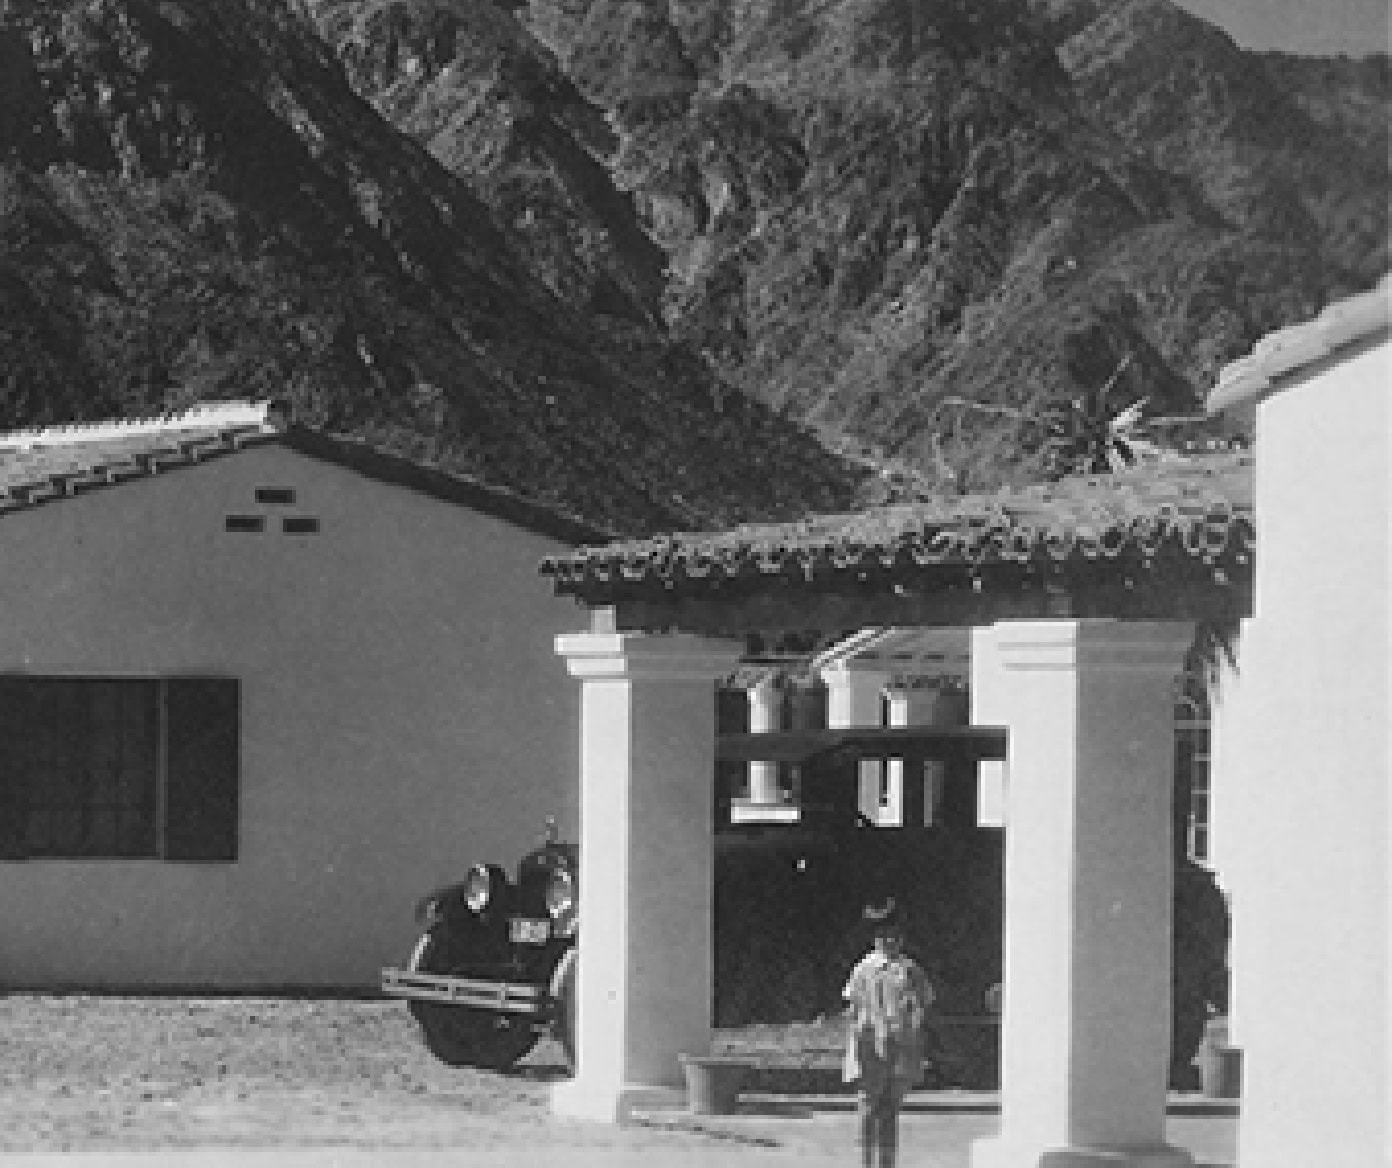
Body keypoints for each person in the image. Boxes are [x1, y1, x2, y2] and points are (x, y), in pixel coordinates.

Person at [842, 898, 934, 1168]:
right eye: (884, 936)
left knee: (891, 1108)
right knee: (869, 1106)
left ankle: (887, 1163)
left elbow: (923, 1003)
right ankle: (865, 1162)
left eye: (895, 936)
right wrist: (861, 1034)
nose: (890, 941)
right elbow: (853, 1005)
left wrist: (914, 1030)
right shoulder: (865, 969)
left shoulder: (910, 970)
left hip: (900, 1042)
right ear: (875, 939)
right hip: (871, 1041)